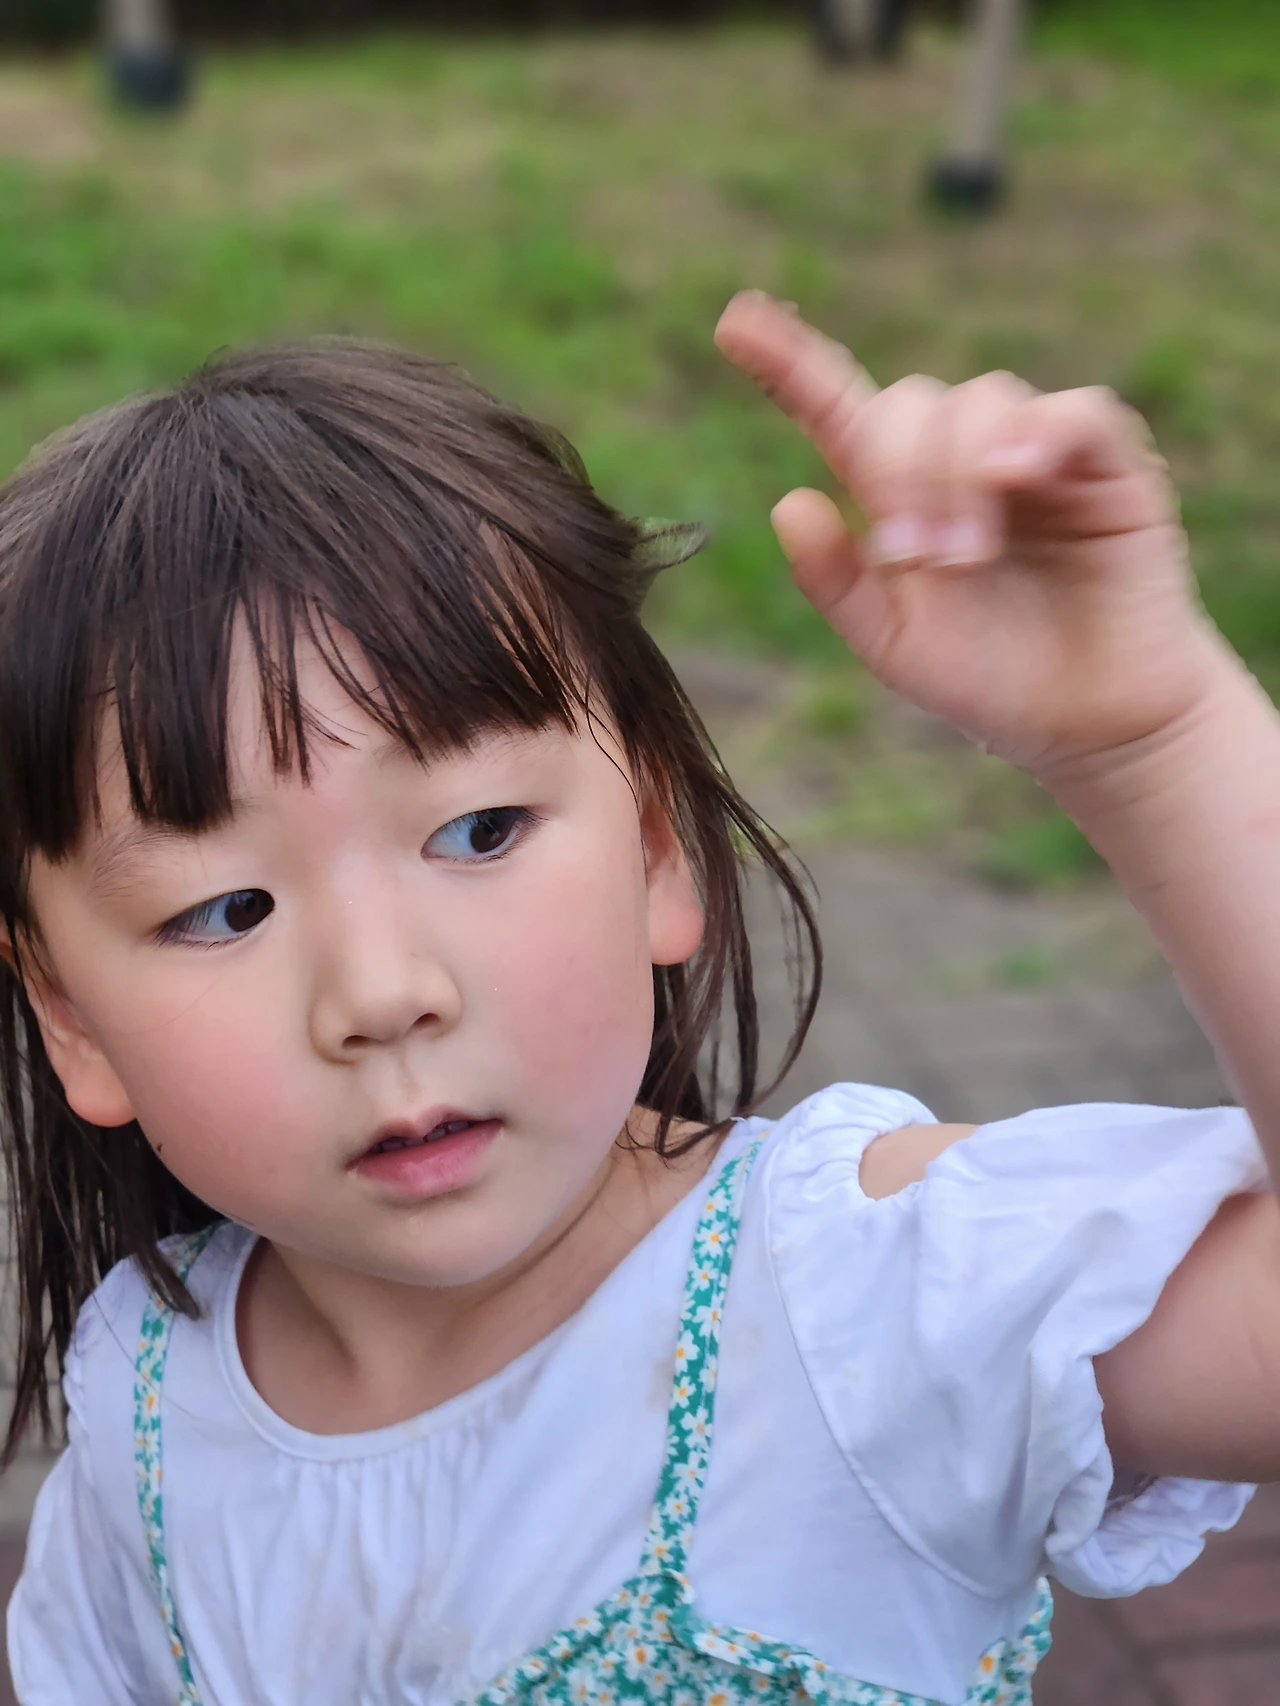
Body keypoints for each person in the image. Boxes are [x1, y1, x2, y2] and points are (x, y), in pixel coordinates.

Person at [2, 291, 1278, 1706]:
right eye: (226, 909)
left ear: (658, 849)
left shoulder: (859, 1298)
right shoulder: (149, 1398)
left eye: (479, 831)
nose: (382, 993)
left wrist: (1156, 742)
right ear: (72, 1019)